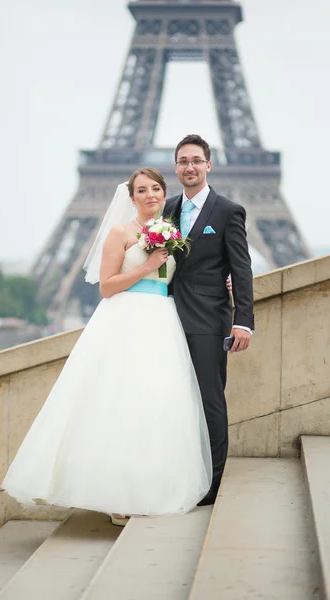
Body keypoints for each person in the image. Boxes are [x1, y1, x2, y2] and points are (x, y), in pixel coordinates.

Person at [2, 167, 212, 526]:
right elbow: (107, 286)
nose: (150, 195)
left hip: (162, 320)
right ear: (131, 198)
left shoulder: (173, 232)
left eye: (156, 189)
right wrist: (147, 265)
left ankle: (149, 486)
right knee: (120, 400)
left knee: (157, 402)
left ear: (164, 193)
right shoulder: (120, 232)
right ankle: (117, 496)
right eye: (142, 190)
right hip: (126, 320)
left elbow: (179, 279)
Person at [163, 134, 254, 506]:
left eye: (196, 161)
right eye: (183, 161)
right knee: (173, 401)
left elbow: (241, 268)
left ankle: (212, 485)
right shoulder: (166, 208)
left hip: (208, 320)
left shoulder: (228, 210)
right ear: (176, 167)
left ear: (208, 165)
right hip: (166, 320)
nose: (189, 167)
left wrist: (243, 320)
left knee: (210, 401)